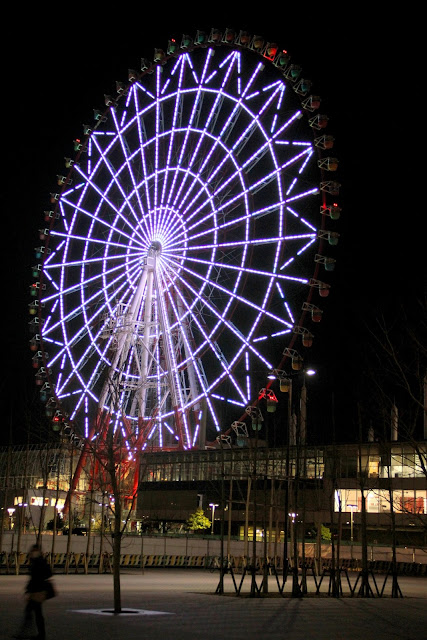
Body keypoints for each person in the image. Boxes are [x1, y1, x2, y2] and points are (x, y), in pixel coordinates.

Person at [13, 543, 52, 640]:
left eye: (34, 551)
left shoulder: (39, 561)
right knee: (34, 613)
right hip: (37, 591)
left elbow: (39, 576)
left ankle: (31, 633)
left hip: (38, 592)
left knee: (33, 612)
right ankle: (37, 634)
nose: (32, 552)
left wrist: (30, 590)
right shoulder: (37, 561)